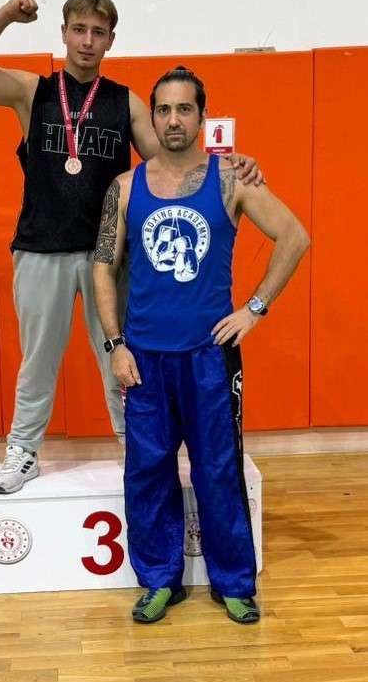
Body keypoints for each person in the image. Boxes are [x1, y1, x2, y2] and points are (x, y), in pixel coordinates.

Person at [0, 0, 263, 494]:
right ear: (63, 33)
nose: (87, 41)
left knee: (123, 360)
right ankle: (23, 451)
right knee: (38, 360)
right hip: (40, 248)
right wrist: (6, 15)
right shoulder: (33, 92)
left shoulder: (126, 102)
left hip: (109, 257)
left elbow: (176, 162)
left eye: (98, 32)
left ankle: (134, 447)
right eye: (79, 29)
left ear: (111, 40)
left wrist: (231, 165)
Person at [92, 66, 310, 624]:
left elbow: (295, 236)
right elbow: (102, 267)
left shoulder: (232, 179)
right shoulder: (125, 188)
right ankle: (158, 580)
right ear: (153, 118)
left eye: (184, 109)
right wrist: (115, 344)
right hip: (144, 358)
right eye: (163, 110)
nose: (173, 120)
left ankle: (234, 582)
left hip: (210, 357)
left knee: (218, 470)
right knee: (147, 470)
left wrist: (254, 309)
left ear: (202, 117)